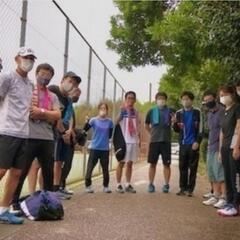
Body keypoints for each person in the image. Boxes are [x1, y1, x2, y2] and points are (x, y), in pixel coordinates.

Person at [11, 63, 61, 211]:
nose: (45, 77)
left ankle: (50, 204)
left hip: (47, 138)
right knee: (21, 171)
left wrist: (41, 112)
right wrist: (47, 113)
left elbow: (57, 115)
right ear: (36, 73)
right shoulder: (28, 90)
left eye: (48, 75)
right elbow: (23, 109)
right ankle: (13, 203)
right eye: (42, 74)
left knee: (48, 173)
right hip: (28, 136)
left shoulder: (52, 96)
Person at [0, 47, 36, 224]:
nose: (28, 61)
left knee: (16, 173)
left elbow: (27, 108)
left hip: (24, 133)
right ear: (17, 59)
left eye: (31, 58)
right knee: (1, 170)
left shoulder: (30, 84)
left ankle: (3, 210)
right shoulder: (7, 77)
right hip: (6, 131)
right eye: (25, 57)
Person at [48, 71, 81, 200]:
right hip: (49, 132)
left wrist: (69, 131)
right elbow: (54, 114)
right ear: (63, 79)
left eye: (75, 84)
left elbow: (69, 116)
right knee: (41, 165)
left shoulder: (68, 100)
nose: (72, 84)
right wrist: (62, 131)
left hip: (61, 133)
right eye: (70, 81)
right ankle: (39, 193)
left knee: (59, 162)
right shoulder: (53, 90)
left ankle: (56, 189)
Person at [173, 91, 202, 197]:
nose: (185, 101)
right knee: (182, 167)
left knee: (193, 168)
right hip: (183, 144)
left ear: (191, 100)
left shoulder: (197, 112)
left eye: (187, 99)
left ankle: (190, 189)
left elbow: (201, 129)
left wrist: (197, 142)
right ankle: (182, 188)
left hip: (193, 144)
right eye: (183, 99)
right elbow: (176, 130)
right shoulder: (179, 113)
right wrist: (174, 123)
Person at [217, 86, 240, 217]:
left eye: (225, 94)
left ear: (232, 94)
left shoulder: (237, 108)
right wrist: (220, 150)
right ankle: (229, 202)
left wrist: (237, 147)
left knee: (233, 176)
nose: (223, 97)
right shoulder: (223, 111)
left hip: (233, 146)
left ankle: (235, 205)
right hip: (225, 148)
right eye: (221, 95)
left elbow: (239, 127)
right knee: (227, 176)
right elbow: (222, 131)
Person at [145, 92, 174, 193]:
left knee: (167, 164)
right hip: (154, 141)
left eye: (163, 99)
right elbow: (146, 125)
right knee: (152, 164)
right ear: (156, 100)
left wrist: (174, 121)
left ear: (166, 100)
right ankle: (151, 184)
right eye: (159, 98)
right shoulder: (151, 111)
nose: (161, 100)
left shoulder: (170, 111)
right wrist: (152, 133)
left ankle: (166, 185)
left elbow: (175, 124)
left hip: (166, 141)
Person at [201, 90, 226, 208]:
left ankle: (224, 197)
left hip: (218, 146)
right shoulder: (209, 113)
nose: (207, 102)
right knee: (212, 173)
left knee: (220, 173)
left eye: (209, 99)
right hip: (210, 146)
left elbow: (223, 131)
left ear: (215, 98)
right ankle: (215, 195)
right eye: (205, 101)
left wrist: (221, 149)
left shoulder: (222, 111)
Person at [84, 102, 114, 193]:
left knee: (105, 168)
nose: (103, 110)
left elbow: (109, 135)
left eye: (105, 108)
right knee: (90, 167)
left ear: (107, 110)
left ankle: (106, 186)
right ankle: (88, 186)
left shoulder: (110, 122)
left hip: (104, 149)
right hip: (94, 148)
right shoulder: (93, 120)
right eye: (101, 108)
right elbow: (85, 129)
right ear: (98, 109)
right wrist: (86, 121)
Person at [115, 91, 140, 193]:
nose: (130, 100)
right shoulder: (122, 110)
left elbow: (138, 126)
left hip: (133, 141)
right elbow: (116, 122)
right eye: (128, 98)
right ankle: (118, 184)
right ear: (126, 99)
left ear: (134, 100)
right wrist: (120, 115)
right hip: (124, 141)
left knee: (130, 163)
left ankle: (128, 184)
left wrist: (138, 139)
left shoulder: (136, 112)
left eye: (132, 98)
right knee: (121, 162)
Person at [59, 87, 81, 195]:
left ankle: (62, 186)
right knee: (58, 164)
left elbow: (71, 123)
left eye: (79, 94)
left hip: (69, 140)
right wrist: (67, 131)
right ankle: (56, 187)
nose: (78, 96)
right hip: (61, 137)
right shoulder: (63, 104)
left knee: (67, 164)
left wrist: (73, 133)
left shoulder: (71, 107)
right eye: (76, 92)